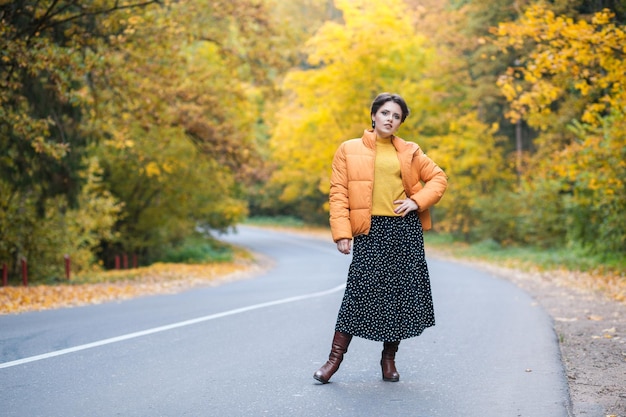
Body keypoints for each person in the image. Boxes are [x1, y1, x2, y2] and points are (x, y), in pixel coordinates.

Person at [313, 93, 448, 384]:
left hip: (404, 231)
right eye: (385, 113)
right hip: (370, 232)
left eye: (396, 116)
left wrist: (417, 201)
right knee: (357, 295)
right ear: (374, 115)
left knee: (397, 297)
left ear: (400, 122)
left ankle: (389, 360)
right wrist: (342, 233)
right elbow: (338, 193)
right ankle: (333, 361)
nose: (390, 119)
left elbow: (439, 179)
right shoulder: (348, 150)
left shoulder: (410, 151)